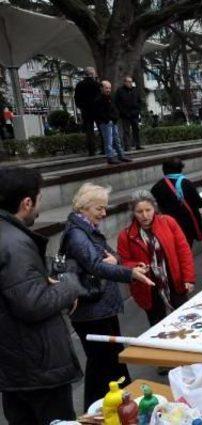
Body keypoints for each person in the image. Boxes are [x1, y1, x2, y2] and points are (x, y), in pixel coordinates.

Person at [0, 167, 83, 425]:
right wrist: (69, 283)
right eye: (39, 198)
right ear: (26, 202)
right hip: (35, 368)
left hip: (17, 366)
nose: (39, 206)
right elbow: (33, 303)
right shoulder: (14, 243)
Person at [60, 183, 154, 410]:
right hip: (93, 311)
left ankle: (122, 404)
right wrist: (130, 273)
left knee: (110, 361)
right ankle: (99, 410)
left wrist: (117, 262)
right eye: (99, 208)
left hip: (101, 308)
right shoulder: (77, 234)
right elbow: (95, 264)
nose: (104, 213)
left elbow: (110, 256)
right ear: (84, 207)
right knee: (102, 364)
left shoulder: (85, 229)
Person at [117, 190, 195, 326]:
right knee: (158, 325)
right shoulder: (125, 236)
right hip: (149, 288)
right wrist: (135, 266)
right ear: (133, 213)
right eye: (139, 212)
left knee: (185, 320)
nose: (145, 215)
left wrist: (188, 277)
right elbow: (124, 261)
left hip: (175, 282)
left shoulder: (169, 222)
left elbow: (183, 251)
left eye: (148, 210)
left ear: (155, 208)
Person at [151, 158, 202, 247]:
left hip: (167, 224)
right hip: (186, 225)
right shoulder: (187, 183)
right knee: (186, 248)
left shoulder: (157, 187)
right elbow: (199, 203)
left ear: (164, 170)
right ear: (180, 169)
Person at [95, 80, 131, 165]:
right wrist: (108, 119)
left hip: (112, 122)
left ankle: (121, 155)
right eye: (106, 88)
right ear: (101, 88)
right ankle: (110, 157)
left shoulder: (110, 98)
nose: (108, 90)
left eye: (109, 88)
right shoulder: (98, 100)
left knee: (116, 140)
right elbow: (100, 113)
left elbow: (115, 109)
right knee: (109, 141)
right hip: (106, 123)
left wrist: (114, 118)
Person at [74, 67, 101, 156]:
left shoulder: (79, 85)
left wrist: (81, 107)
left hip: (85, 111)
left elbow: (76, 99)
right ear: (92, 74)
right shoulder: (97, 84)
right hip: (97, 110)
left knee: (89, 131)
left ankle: (91, 151)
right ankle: (104, 148)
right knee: (101, 130)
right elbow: (100, 97)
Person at [114, 75, 142, 151]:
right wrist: (123, 112)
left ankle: (138, 145)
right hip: (125, 114)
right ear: (125, 82)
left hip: (134, 114)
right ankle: (127, 146)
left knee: (136, 129)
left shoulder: (135, 90)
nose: (130, 83)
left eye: (131, 82)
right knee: (126, 131)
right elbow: (117, 102)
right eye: (128, 82)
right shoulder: (120, 91)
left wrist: (137, 110)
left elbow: (139, 101)